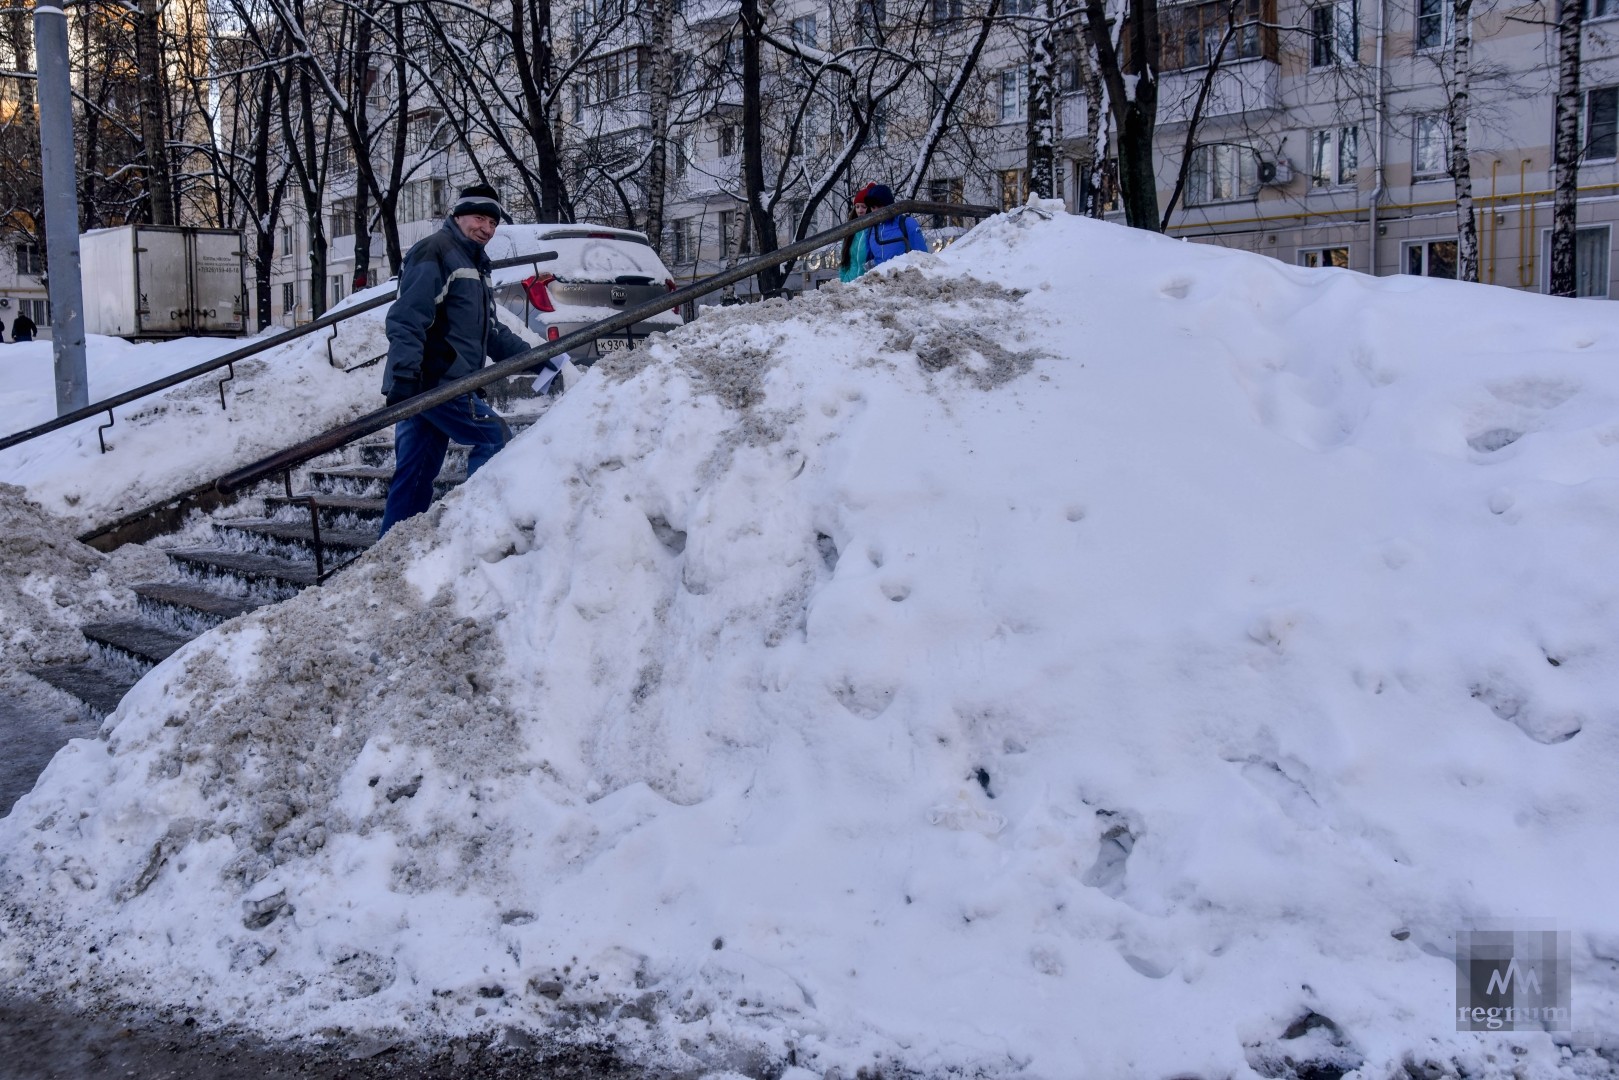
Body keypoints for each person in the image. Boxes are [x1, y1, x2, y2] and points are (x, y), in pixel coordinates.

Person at [377, 183, 532, 538]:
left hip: (437, 385)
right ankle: (478, 533)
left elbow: (490, 332)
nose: (487, 229)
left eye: (493, 223)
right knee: (494, 438)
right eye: (479, 218)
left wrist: (538, 359)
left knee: (415, 474)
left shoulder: (475, 265)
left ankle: (386, 554)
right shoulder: (436, 252)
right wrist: (403, 378)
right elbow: (407, 318)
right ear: (458, 215)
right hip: (437, 384)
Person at [860, 184, 928, 268]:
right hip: (879, 279)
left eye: (879, 206)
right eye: (873, 207)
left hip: (904, 277)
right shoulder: (871, 229)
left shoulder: (907, 223)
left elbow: (923, 258)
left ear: (889, 204)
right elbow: (870, 258)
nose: (876, 211)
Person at [838, 184, 874, 283]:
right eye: (857, 207)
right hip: (849, 282)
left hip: (867, 284)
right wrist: (843, 280)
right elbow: (845, 260)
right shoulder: (850, 231)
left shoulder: (874, 230)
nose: (860, 210)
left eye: (864, 207)